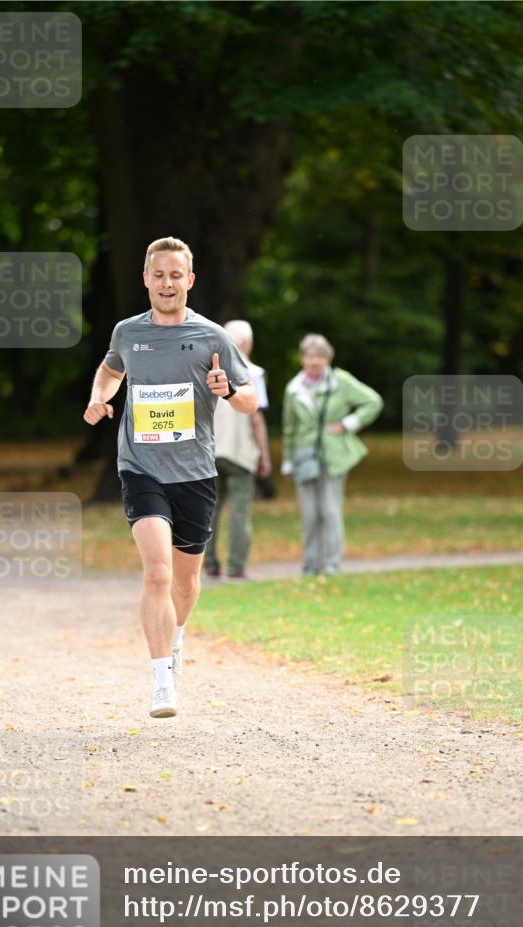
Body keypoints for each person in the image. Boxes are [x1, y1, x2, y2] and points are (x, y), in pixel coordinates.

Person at [83, 237, 257, 719]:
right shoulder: (127, 332)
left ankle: (176, 635)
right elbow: (110, 371)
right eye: (158, 275)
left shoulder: (211, 336)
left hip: (194, 473)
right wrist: (98, 398)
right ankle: (162, 681)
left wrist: (228, 390)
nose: (166, 283)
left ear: (190, 280)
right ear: (145, 279)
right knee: (157, 572)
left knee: (185, 581)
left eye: (175, 275)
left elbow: (251, 401)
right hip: (140, 466)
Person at [281, 333, 383, 575]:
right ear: (303, 359)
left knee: (330, 510)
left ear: (328, 359)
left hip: (334, 456)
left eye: (319, 356)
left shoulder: (341, 381)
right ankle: (310, 564)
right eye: (309, 356)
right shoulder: (294, 389)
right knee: (309, 514)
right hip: (304, 456)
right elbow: (289, 428)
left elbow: (373, 402)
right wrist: (287, 460)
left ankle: (331, 564)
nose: (314, 361)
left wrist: (348, 424)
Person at [204, 319, 272, 579]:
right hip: (240, 452)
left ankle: (209, 564)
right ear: (246, 343)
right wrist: (264, 456)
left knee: (209, 510)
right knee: (239, 511)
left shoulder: (208, 371)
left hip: (209, 451)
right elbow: (256, 419)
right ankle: (236, 566)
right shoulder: (254, 374)